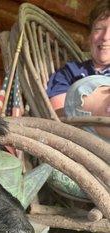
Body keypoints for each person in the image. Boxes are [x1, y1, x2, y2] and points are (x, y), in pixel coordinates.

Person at [47, 0, 110, 141]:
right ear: (89, 37)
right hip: (86, 145)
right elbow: (62, 117)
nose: (105, 37)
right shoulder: (70, 72)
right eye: (99, 28)